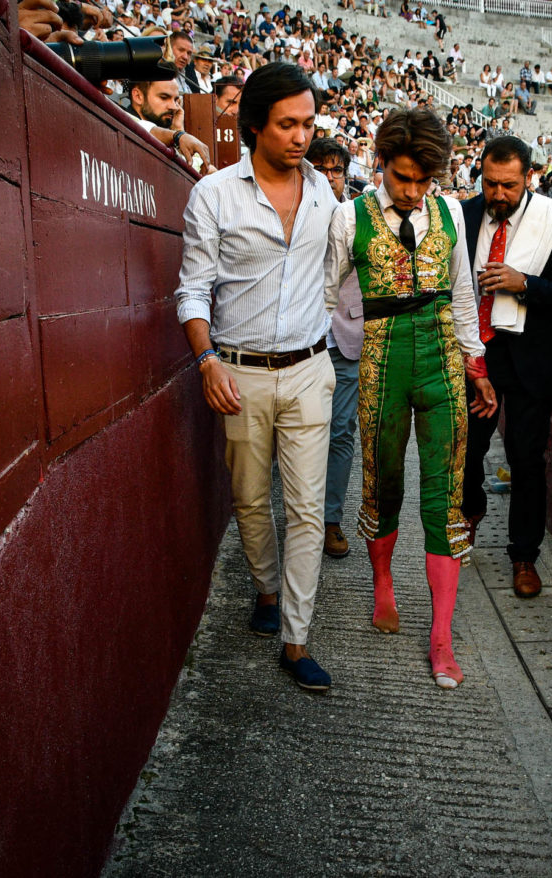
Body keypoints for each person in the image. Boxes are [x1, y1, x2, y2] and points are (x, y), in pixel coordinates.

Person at [174, 63, 338, 691]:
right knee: (249, 498)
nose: (301, 137)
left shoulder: (326, 195)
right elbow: (192, 291)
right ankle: (266, 589)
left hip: (309, 370)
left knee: (303, 507)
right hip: (237, 372)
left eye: (308, 123)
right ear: (253, 128)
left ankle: (296, 640)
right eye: (288, 125)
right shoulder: (214, 195)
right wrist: (207, 359)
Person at [324, 107, 497, 689]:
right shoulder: (349, 219)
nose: (414, 191)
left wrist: (476, 366)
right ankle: (382, 587)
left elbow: (463, 292)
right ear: (381, 165)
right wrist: (323, 367)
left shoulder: (448, 210)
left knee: (445, 494)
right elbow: (324, 296)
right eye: (403, 178)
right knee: (383, 480)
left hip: (442, 357)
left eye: (424, 180)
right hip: (381, 359)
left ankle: (442, 638)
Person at [461, 137, 552, 598]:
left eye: (508, 185)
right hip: (479, 354)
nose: (498, 194)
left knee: (526, 460)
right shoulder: (465, 214)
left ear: (528, 177)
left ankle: (524, 555)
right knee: (467, 449)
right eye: (490, 183)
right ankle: (471, 510)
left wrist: (522, 283)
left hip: (531, 356)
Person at [306, 138, 364, 561]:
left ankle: (331, 520)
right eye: (321, 169)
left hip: (346, 337)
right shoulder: (295, 207)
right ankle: (303, 520)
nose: (329, 177)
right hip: (300, 337)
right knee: (302, 432)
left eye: (336, 170)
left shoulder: (362, 215)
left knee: (341, 429)